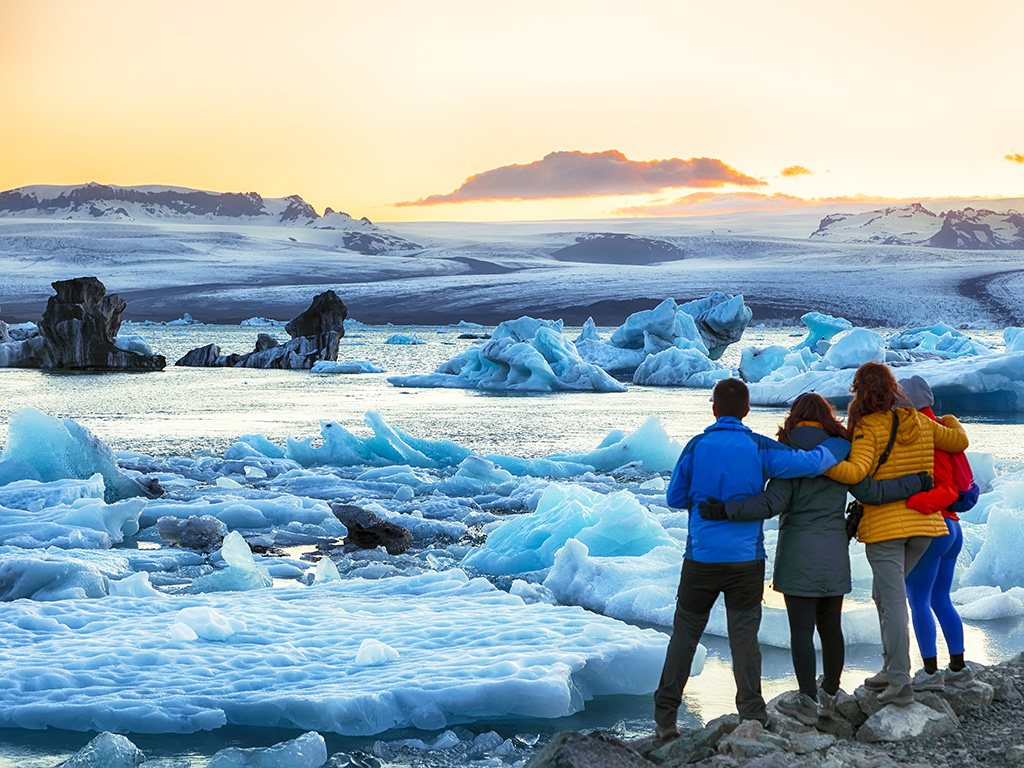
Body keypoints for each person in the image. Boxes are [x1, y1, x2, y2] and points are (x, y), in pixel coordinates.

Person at [696, 393, 930, 725]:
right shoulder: (842, 454)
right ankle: (831, 695)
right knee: (831, 627)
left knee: (801, 630)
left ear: (794, 418)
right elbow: (874, 492)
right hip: (833, 551)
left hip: (796, 556)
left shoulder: (790, 456)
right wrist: (916, 481)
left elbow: (769, 503)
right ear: (827, 417)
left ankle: (806, 698)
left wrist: (725, 509)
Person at [653, 378, 852, 739]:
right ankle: (753, 715)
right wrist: (842, 444)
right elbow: (810, 463)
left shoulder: (696, 447)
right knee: (744, 640)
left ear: (714, 409)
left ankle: (666, 720)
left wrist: (704, 499)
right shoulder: (759, 447)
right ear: (747, 410)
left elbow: (675, 497)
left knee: (684, 636)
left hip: (701, 558)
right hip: (745, 562)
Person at [824, 362, 968, 707]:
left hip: (887, 529)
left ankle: (900, 681)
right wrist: (947, 418)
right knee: (881, 595)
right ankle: (891, 669)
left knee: (892, 602)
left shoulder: (867, 427)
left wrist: (820, 462)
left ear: (860, 391)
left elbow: (857, 471)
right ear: (892, 389)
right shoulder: (920, 421)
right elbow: (959, 440)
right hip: (924, 528)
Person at [898, 376, 980, 691]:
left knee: (917, 599)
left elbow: (944, 488)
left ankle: (930, 673)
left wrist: (910, 501)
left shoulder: (922, 435)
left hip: (933, 527)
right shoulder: (947, 431)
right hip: (954, 528)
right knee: (940, 599)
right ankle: (959, 668)